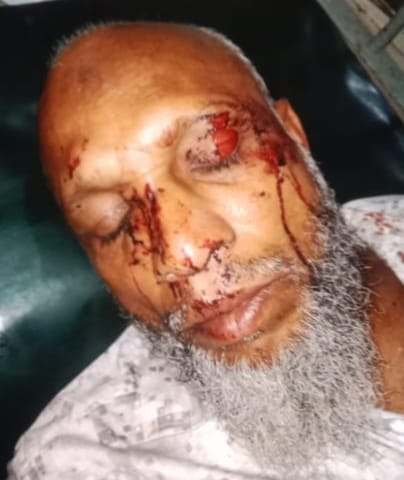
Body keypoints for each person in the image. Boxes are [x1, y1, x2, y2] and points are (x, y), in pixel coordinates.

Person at [8, 22, 404, 479]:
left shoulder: (391, 216)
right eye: (111, 223)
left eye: (216, 153)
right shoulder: (81, 463)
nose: (180, 255)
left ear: (294, 137)